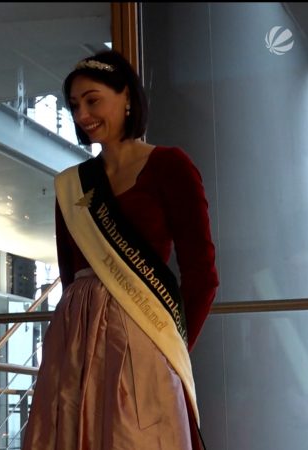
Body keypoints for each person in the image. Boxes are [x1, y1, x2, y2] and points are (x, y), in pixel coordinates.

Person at [21, 50, 219, 450]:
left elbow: (202, 275)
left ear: (126, 97)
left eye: (93, 100)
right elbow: (69, 271)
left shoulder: (170, 165)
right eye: (75, 105)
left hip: (144, 335)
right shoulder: (71, 184)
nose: (82, 115)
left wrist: (171, 349)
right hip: (74, 341)